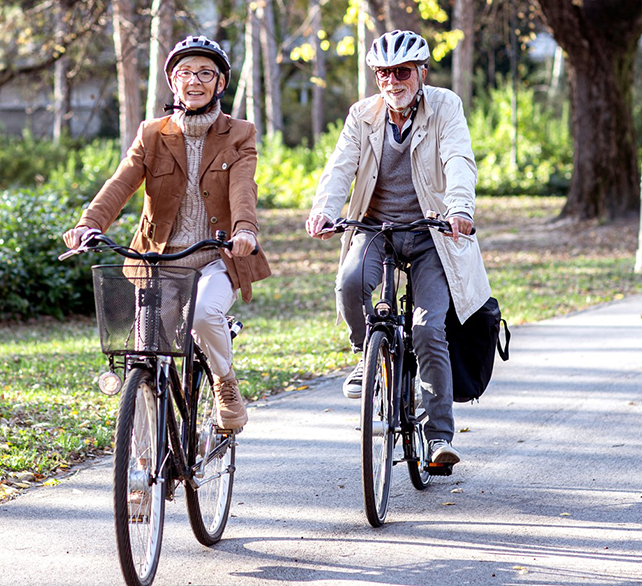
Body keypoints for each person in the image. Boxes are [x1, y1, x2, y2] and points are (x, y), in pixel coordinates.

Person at [63, 35, 271, 432]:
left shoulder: (240, 133)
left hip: (216, 257)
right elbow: (120, 183)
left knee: (207, 315)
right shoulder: (152, 133)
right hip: (157, 264)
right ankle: (143, 471)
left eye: (205, 73)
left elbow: (244, 188)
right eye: (185, 73)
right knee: (143, 359)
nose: (194, 81)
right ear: (173, 82)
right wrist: (89, 223)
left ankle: (225, 384)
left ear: (220, 83)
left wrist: (245, 229)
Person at [305, 30, 491, 465]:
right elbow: (340, 167)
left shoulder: (444, 106)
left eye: (402, 72)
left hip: (433, 233)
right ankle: (365, 355)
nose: (393, 81)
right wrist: (324, 210)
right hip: (376, 228)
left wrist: (460, 207)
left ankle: (439, 437)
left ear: (421, 73)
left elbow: (458, 158)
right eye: (384, 73)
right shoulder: (362, 115)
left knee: (429, 329)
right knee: (350, 284)